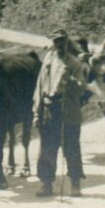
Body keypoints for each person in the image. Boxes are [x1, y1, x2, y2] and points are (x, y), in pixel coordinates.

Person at [33, 28, 88, 197]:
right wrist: (36, 112)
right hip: (49, 110)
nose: (59, 44)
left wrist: (70, 81)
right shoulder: (48, 62)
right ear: (53, 43)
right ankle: (46, 184)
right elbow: (39, 88)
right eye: (56, 41)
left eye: (62, 41)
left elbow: (81, 90)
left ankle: (75, 184)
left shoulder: (75, 64)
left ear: (67, 42)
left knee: (71, 147)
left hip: (69, 110)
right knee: (47, 149)